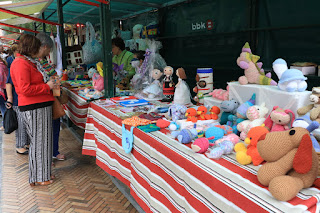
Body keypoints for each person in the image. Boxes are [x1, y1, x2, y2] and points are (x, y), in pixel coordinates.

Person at [11, 34, 56, 186]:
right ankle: (40, 177)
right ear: (31, 48)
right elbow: (24, 89)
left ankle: (42, 175)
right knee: (39, 142)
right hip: (35, 107)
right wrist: (46, 87)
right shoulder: (20, 64)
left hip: (38, 106)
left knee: (41, 142)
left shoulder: (26, 62)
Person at [36, 32, 65, 161]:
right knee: (45, 131)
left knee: (55, 126)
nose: (49, 53)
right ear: (45, 46)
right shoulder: (34, 62)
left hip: (52, 99)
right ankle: (47, 157)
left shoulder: (43, 61)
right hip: (42, 101)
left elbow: (54, 76)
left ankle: (54, 151)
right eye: (50, 49)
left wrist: (58, 94)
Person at [6, 44, 30, 154]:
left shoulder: (21, 63)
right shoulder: (15, 65)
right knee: (20, 123)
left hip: (23, 99)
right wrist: (10, 99)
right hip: (17, 100)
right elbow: (8, 84)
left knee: (26, 123)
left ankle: (26, 143)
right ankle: (20, 145)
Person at [0, 57, 8, 130]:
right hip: (6, 88)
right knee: (4, 107)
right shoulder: (3, 64)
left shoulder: (0, 66)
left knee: (3, 107)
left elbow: (0, 79)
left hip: (2, 90)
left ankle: (5, 125)